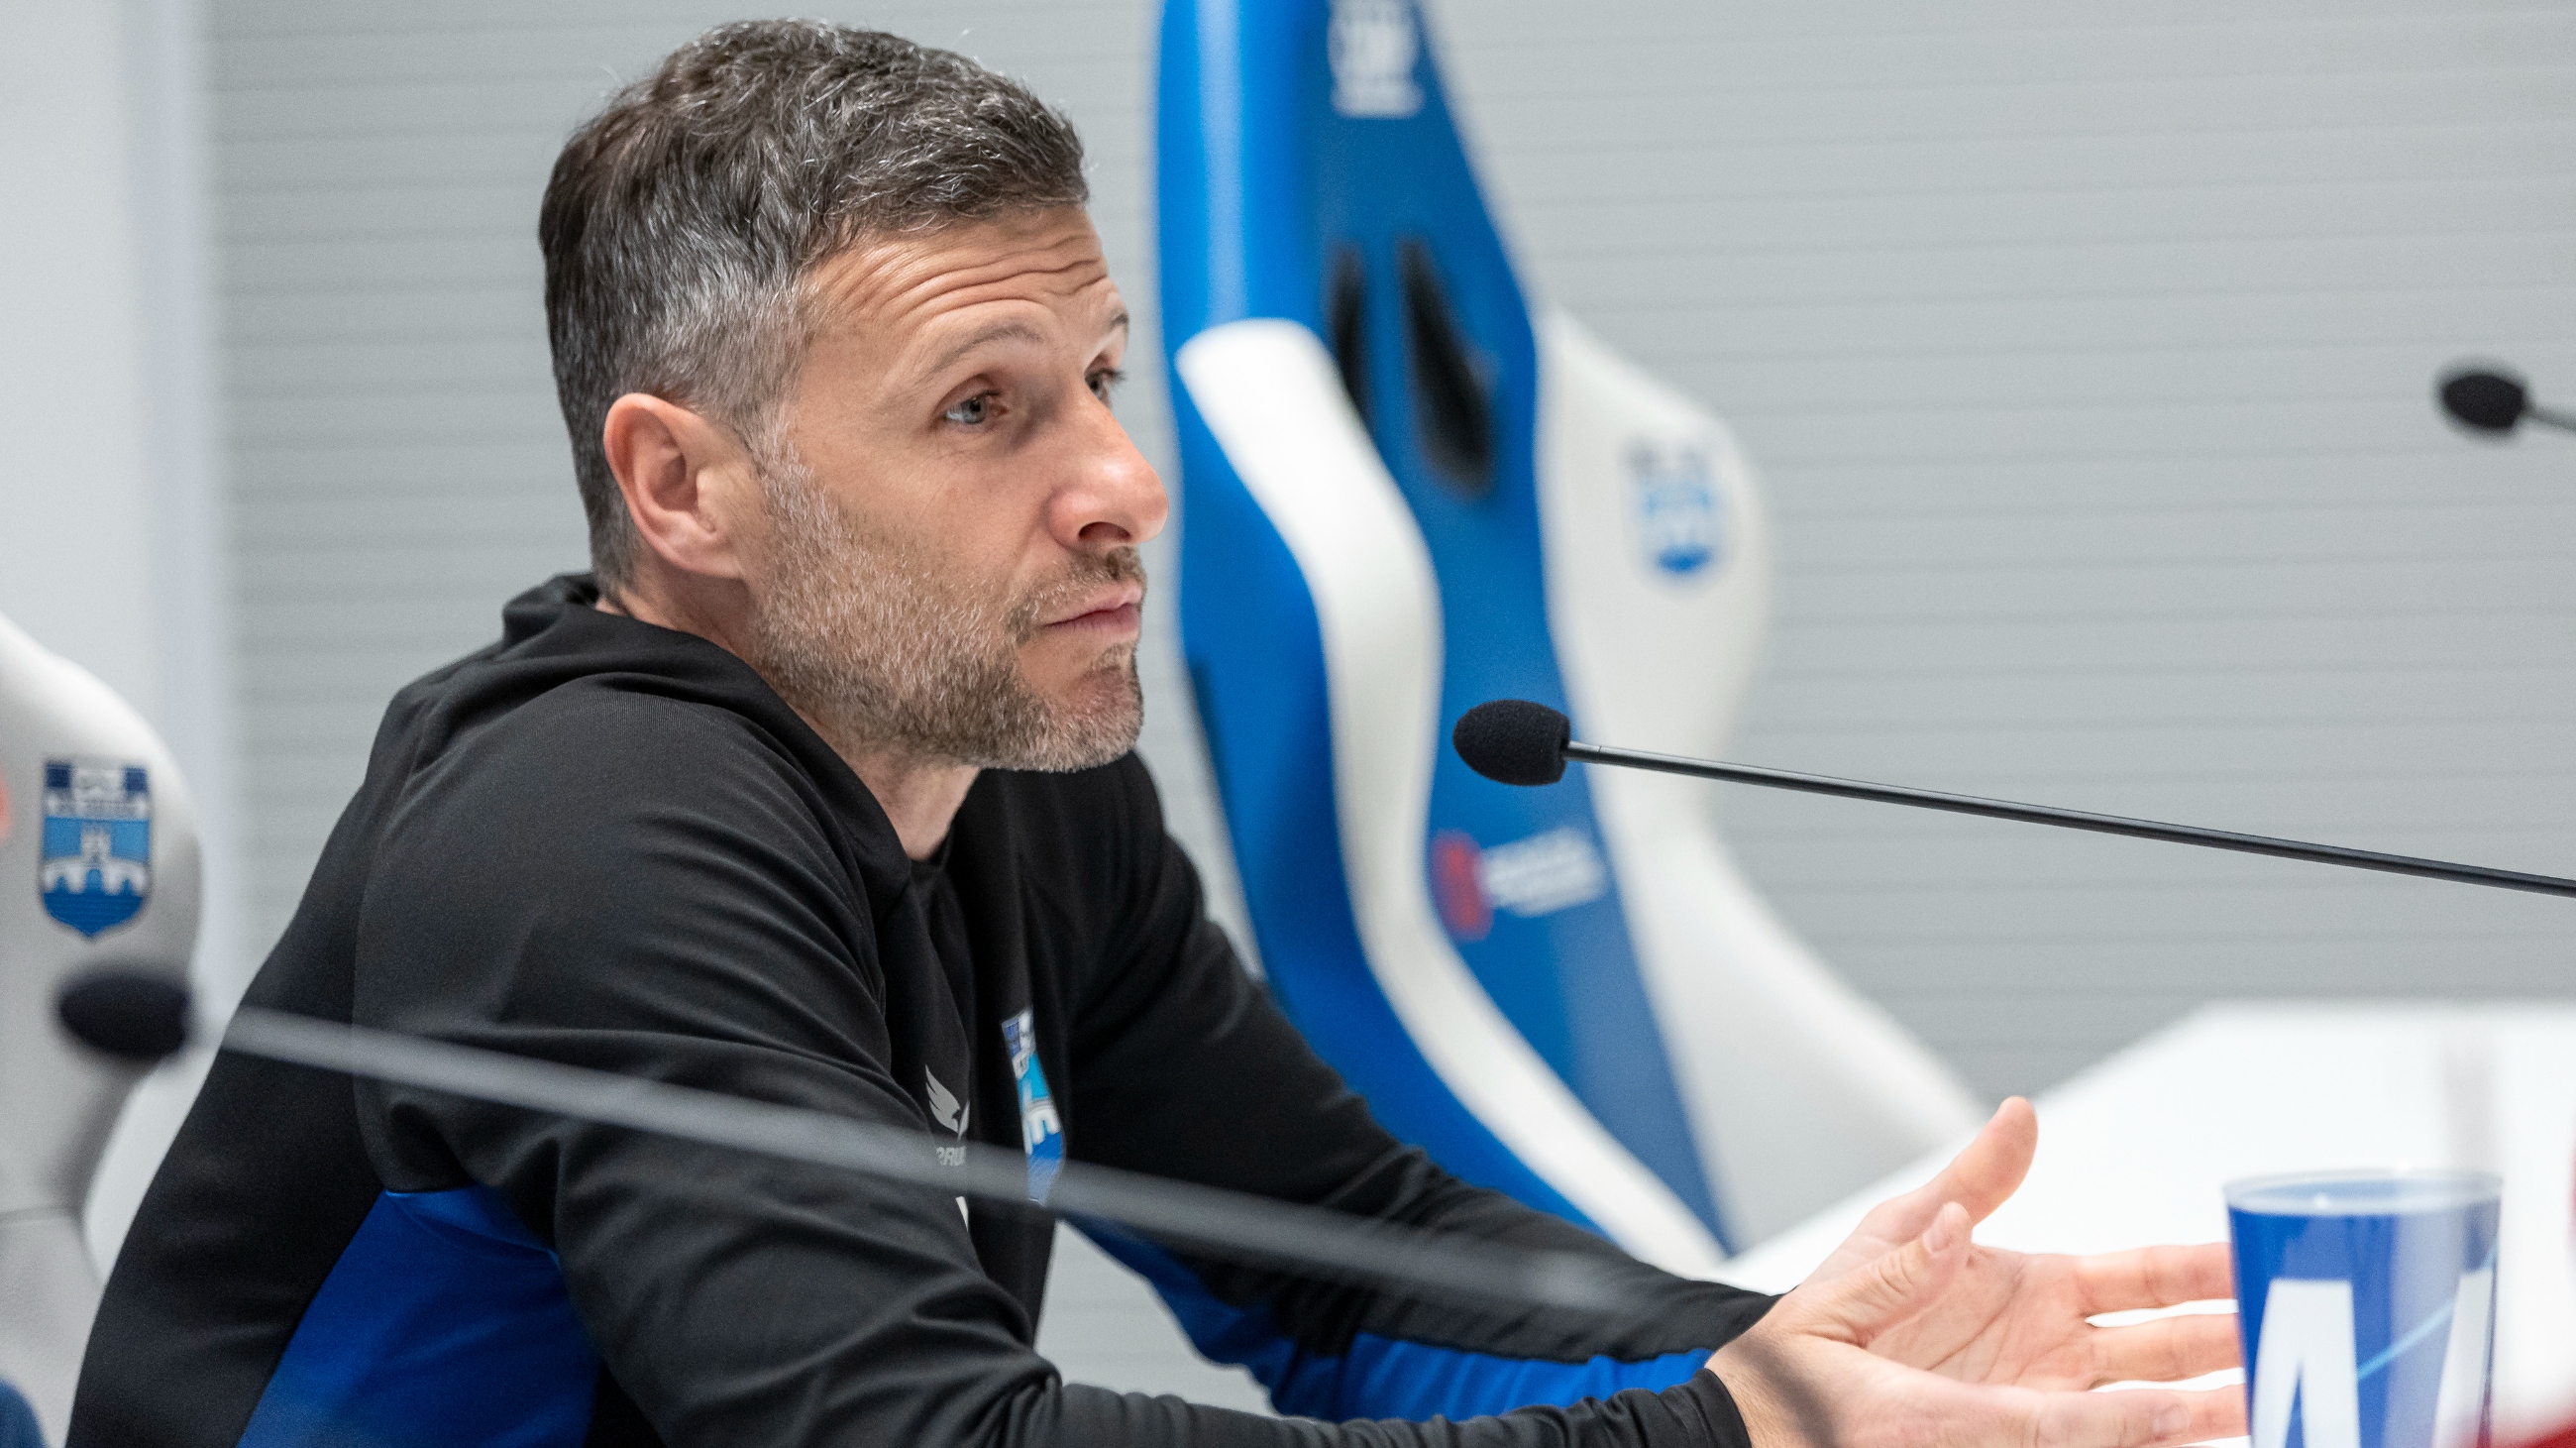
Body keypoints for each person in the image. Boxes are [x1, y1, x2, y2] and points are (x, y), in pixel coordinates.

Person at [70, 22, 2243, 1447]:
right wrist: (1725, 1426)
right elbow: (924, 1443)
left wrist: (1790, 1347)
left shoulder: (1006, 766)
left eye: (1101, 376)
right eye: (985, 407)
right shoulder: (586, 840)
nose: (1125, 479)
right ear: (683, 487)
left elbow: (1339, 1257)